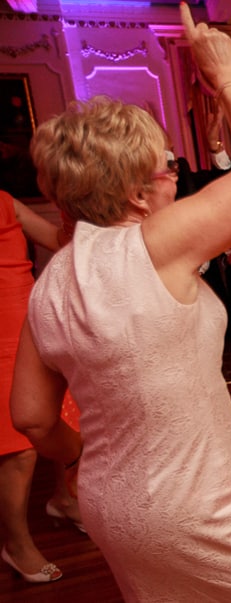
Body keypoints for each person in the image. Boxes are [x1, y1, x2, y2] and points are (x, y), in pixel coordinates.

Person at [10, 3, 231, 602]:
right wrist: (226, 73)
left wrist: (80, 456)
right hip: (192, 505)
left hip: (109, 504)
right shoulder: (150, 246)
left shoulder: (53, 279)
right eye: (167, 167)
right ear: (135, 193)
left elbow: (30, 416)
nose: (175, 176)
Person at [0, 191, 82, 584]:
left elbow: (58, 241)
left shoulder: (3, 201)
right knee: (19, 447)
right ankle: (16, 545)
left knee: (59, 415)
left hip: (29, 325)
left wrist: (78, 207)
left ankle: (64, 499)